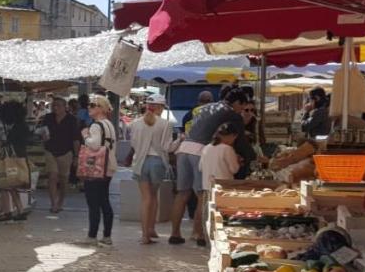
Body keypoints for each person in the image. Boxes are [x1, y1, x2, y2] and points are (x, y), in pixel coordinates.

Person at [170, 88, 249, 246]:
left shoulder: (207, 107)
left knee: (182, 194)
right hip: (199, 151)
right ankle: (199, 234)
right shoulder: (231, 114)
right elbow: (239, 141)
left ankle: (175, 233)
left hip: (184, 148)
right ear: (237, 103)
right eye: (243, 106)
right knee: (202, 195)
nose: (243, 110)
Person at [128, 94, 173, 245]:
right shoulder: (165, 124)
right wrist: (179, 141)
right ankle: (151, 229)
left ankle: (145, 234)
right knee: (153, 196)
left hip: (140, 163)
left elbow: (133, 144)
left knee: (145, 198)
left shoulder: (134, 123)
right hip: (157, 162)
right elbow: (167, 147)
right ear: (160, 107)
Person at [80, 95, 118, 246]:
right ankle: (107, 236)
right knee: (104, 201)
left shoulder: (96, 126)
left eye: (93, 105)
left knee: (93, 202)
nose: (89, 107)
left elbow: (94, 145)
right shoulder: (109, 124)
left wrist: (85, 136)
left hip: (96, 167)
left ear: (101, 108)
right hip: (108, 166)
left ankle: (91, 236)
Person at [37, 97, 79, 213]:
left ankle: (61, 201)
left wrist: (76, 156)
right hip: (50, 150)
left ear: (65, 107)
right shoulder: (48, 118)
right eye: (54, 105)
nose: (55, 108)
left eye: (58, 105)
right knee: (52, 176)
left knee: (64, 179)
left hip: (66, 152)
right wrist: (43, 136)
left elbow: (76, 139)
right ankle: (53, 203)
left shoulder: (72, 120)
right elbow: (42, 131)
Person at [0, 100, 30, 218]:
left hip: (10, 158)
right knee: (12, 184)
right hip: (20, 156)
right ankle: (17, 210)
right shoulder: (23, 125)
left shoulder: (13, 127)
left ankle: (13, 210)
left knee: (7, 183)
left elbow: (4, 141)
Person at [200, 124, 242, 205]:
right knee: (221, 213)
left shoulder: (206, 148)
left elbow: (201, 167)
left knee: (208, 212)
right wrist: (237, 161)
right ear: (231, 136)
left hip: (207, 186)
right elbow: (234, 169)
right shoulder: (227, 149)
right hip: (223, 187)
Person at [234, 100, 264, 179]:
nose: (249, 112)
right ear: (241, 110)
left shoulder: (256, 123)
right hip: (238, 154)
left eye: (252, 110)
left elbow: (262, 140)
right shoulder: (236, 122)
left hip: (252, 154)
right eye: (246, 110)